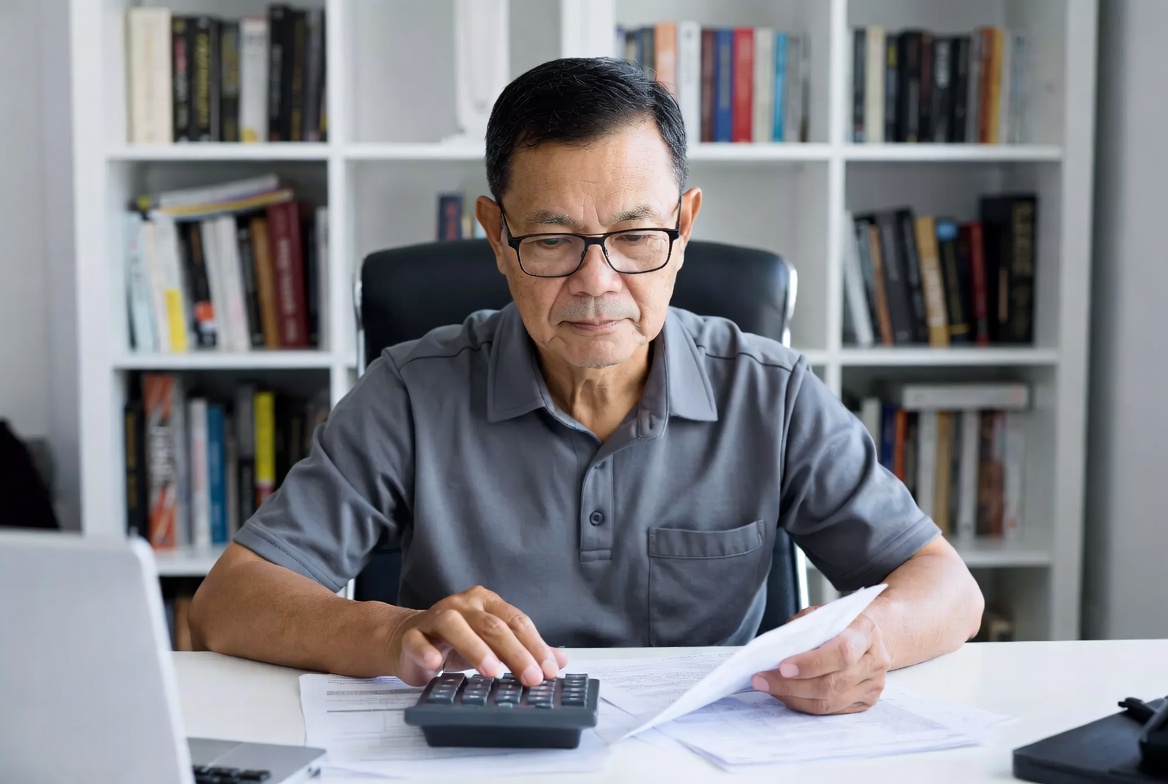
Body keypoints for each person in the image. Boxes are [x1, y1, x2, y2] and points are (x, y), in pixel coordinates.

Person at [190, 57, 984, 717]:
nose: (596, 283)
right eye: (552, 240)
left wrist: (867, 642)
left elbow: (948, 588)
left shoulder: (767, 394)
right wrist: (396, 632)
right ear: (497, 237)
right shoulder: (410, 392)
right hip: (482, 759)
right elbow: (229, 601)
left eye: (636, 236)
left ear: (684, 229)